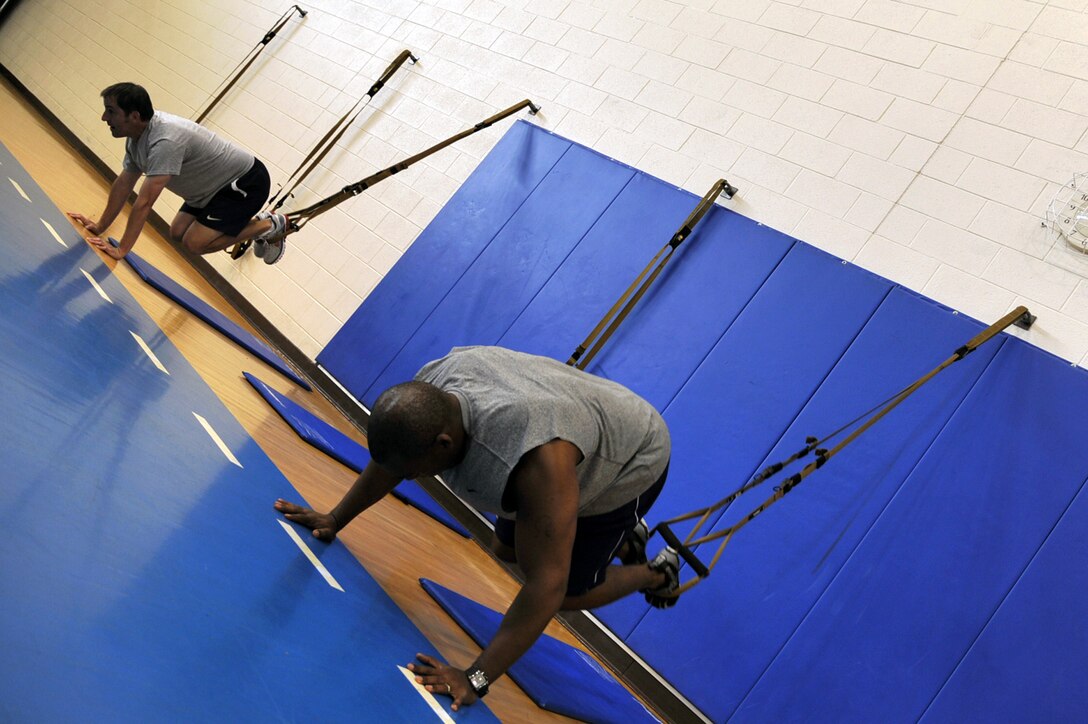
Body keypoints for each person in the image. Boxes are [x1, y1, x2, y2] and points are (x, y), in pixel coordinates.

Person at [275, 345, 680, 710]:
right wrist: (334, 518)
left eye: (414, 471)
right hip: (569, 417)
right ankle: (624, 540)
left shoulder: (538, 466)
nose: (410, 478)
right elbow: (392, 462)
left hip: (631, 457)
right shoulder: (432, 387)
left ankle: (654, 572)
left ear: (445, 444)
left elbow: (547, 587)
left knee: (567, 592)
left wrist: (476, 678)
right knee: (507, 550)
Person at [68, 82, 289, 264]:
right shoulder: (137, 138)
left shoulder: (166, 141)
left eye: (111, 111)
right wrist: (99, 227)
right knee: (177, 232)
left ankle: (269, 225)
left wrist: (121, 250)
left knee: (195, 243)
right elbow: (124, 184)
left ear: (134, 116)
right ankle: (259, 225)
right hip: (211, 189)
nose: (104, 118)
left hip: (244, 184)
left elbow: (144, 203)